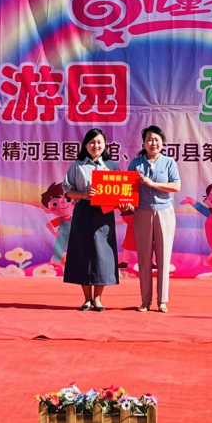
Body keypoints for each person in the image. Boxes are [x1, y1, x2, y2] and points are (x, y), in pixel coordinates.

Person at [62, 128, 120, 311]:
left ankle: (98, 299)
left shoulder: (112, 166)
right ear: (85, 145)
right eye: (92, 142)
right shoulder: (77, 165)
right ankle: (87, 299)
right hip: (84, 212)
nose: (96, 146)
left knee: (103, 255)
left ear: (105, 145)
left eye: (99, 142)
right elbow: (67, 190)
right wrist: (83, 194)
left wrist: (124, 202)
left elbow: (120, 193)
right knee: (84, 253)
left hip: (105, 214)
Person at [127, 126, 181, 313]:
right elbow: (128, 188)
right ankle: (145, 300)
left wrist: (153, 184)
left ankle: (162, 301)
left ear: (163, 143)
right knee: (144, 258)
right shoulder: (136, 163)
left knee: (164, 257)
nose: (153, 143)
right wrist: (126, 202)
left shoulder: (169, 163)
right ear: (143, 143)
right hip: (142, 213)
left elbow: (176, 186)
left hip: (164, 212)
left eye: (156, 139)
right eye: (149, 139)